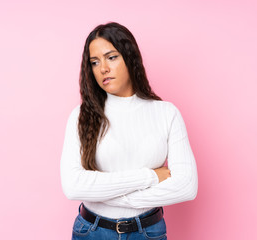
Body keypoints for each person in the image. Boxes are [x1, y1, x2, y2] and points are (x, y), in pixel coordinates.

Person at [60, 21, 198, 240]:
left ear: (129, 57)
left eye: (111, 57)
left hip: (148, 232)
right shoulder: (81, 116)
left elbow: (186, 186)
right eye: (94, 62)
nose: (103, 68)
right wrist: (150, 176)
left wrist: (111, 197)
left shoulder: (166, 113)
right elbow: (73, 186)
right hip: (93, 232)